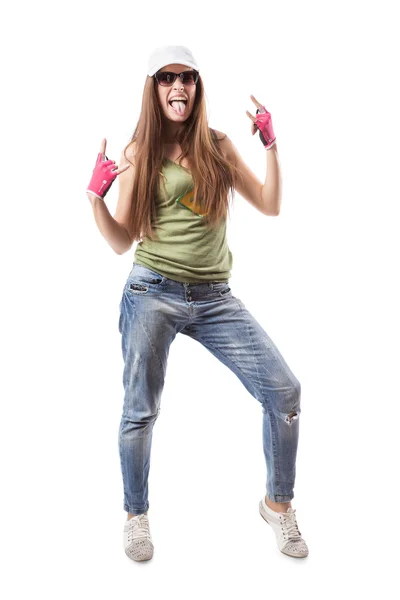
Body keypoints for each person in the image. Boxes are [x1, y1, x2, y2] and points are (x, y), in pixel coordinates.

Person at [86, 45, 309, 562]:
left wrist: (271, 144)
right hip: (152, 291)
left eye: (186, 78)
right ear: (154, 89)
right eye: (167, 79)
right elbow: (122, 242)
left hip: (214, 298)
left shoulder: (217, 146)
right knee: (140, 410)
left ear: (197, 87)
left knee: (285, 391)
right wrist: (96, 199)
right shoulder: (138, 151)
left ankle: (278, 506)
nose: (178, 88)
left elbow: (272, 206)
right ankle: (136, 516)